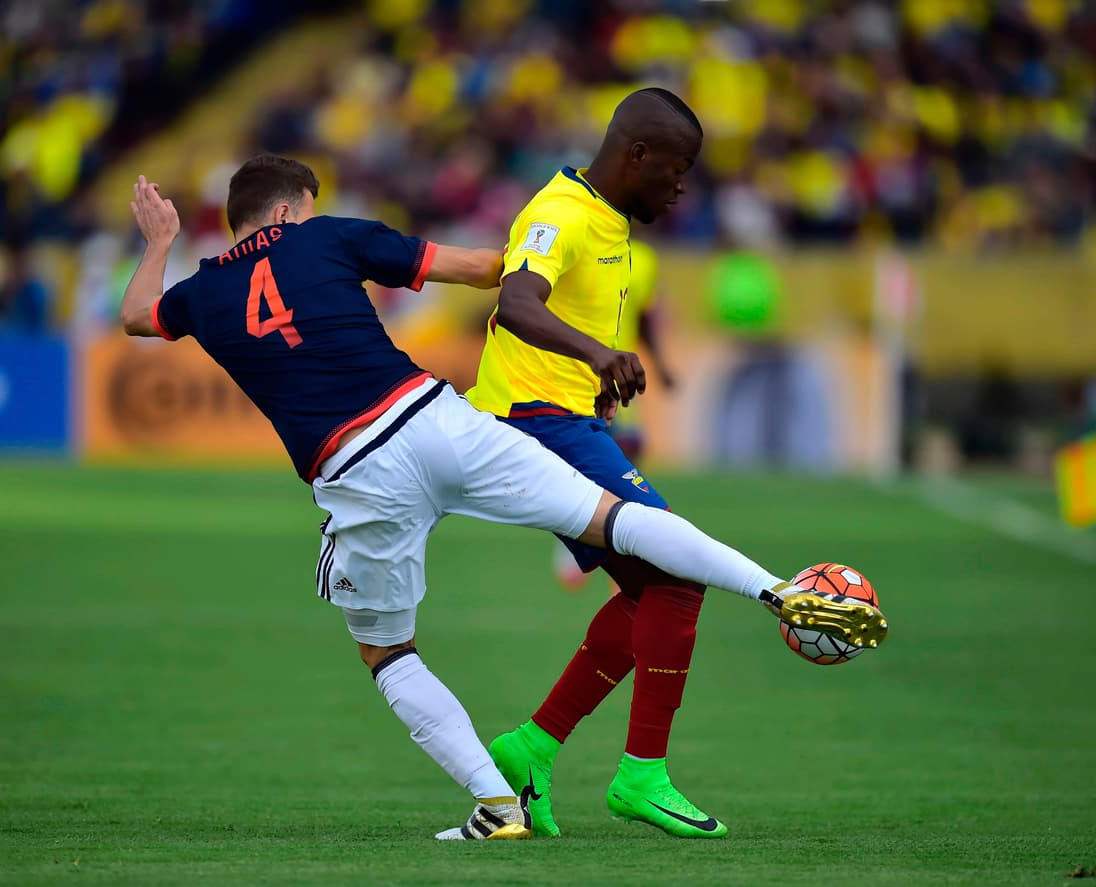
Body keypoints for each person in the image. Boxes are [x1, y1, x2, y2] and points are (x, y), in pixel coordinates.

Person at [120, 154, 886, 842]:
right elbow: (486, 268)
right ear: (288, 211)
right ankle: (777, 590)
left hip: (356, 471)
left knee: (388, 653)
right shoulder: (330, 237)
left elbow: (136, 317)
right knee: (619, 520)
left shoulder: (203, 292)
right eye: (309, 208)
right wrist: (550, 251)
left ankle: (497, 805)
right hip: (437, 420)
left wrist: (159, 242)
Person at [466, 87, 799, 839]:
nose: (681, 188)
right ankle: (640, 773)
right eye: (676, 170)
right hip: (532, 421)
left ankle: (532, 748)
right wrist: (598, 354)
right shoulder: (560, 213)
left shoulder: (609, 221)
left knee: (655, 589)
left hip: (564, 418)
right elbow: (516, 303)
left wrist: (594, 382)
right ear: (638, 154)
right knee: (678, 578)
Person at [552, 237, 672, 590]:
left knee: (629, 449)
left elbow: (643, 316)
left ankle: (611, 538)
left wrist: (660, 363)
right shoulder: (582, 243)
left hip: (620, 372)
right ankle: (578, 536)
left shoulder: (645, 259)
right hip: (580, 370)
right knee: (587, 454)